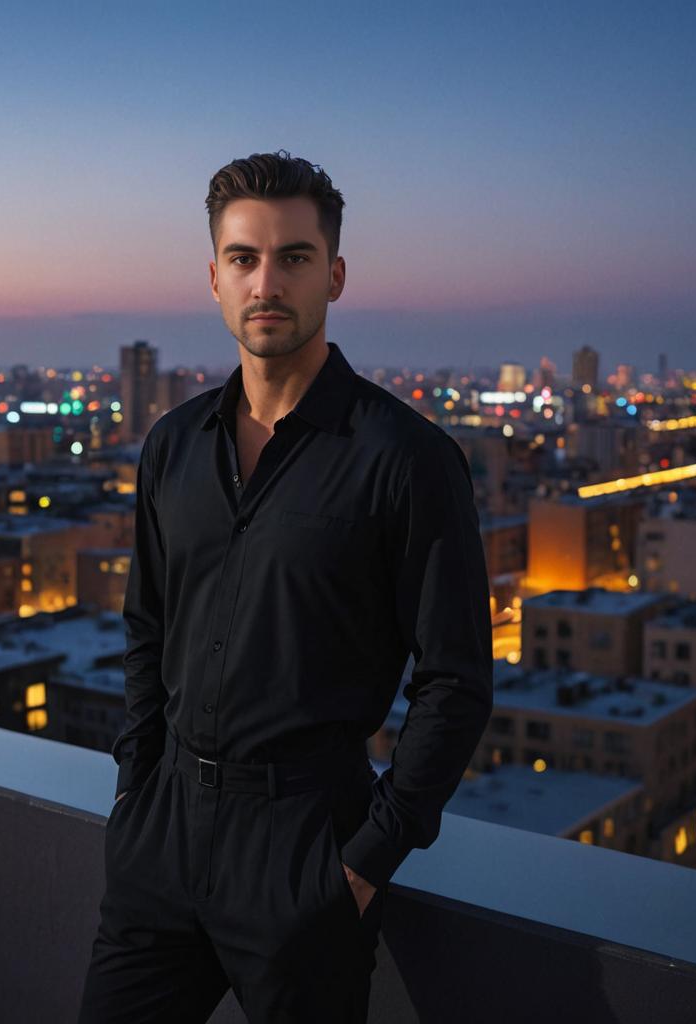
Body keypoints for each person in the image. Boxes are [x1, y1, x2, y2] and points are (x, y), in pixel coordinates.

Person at [76, 149, 493, 1023]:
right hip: (162, 841)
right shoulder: (174, 446)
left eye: (294, 258)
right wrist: (133, 795)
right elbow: (148, 628)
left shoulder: (408, 460)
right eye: (244, 258)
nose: (268, 282)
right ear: (215, 279)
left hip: (307, 848)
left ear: (334, 275)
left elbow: (456, 681)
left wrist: (364, 862)